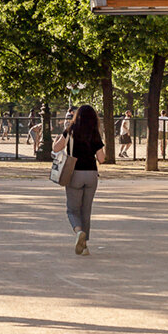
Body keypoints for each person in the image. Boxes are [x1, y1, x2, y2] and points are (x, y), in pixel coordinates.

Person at [52, 104, 105, 255]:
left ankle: (78, 232)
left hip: (74, 173)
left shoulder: (70, 131)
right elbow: (101, 158)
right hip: (91, 174)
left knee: (72, 210)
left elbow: (56, 148)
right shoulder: (95, 133)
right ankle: (85, 245)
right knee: (86, 210)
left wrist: (57, 139)